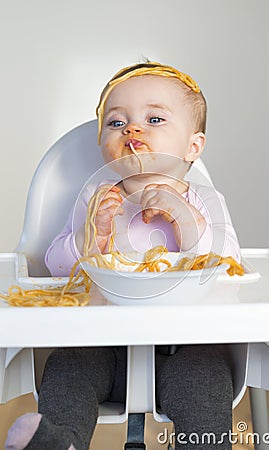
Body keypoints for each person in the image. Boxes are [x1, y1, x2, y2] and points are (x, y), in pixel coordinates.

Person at [5, 62, 241, 450]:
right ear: (102, 143)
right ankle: (58, 440)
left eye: (154, 118)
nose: (133, 130)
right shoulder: (95, 199)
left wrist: (187, 220)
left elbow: (230, 267)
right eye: (117, 123)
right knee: (67, 370)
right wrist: (91, 235)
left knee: (207, 376)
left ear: (193, 147)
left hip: (183, 350)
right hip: (101, 347)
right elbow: (56, 267)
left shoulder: (207, 203)